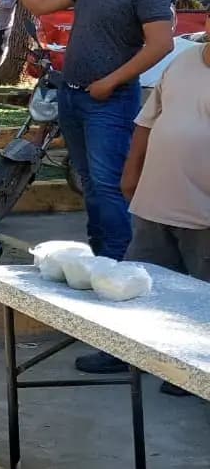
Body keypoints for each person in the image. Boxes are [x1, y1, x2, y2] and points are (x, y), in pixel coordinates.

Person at [1, 0, 175, 262]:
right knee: (90, 184)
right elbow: (39, 4)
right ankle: (102, 259)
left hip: (109, 102)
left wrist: (110, 81)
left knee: (107, 185)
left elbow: (161, 44)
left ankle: (118, 263)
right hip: (72, 95)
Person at [73, 41, 210, 391]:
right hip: (157, 198)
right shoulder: (184, 60)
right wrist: (131, 171)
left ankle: (191, 368)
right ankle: (124, 351)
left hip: (203, 211)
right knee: (138, 284)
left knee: (200, 296)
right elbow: (147, 120)